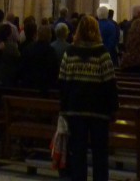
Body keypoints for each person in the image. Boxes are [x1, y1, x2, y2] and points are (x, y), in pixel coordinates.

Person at [59, 14, 119, 181]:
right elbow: (109, 83)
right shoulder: (102, 53)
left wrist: (63, 107)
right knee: (100, 153)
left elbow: (63, 82)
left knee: (78, 153)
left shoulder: (70, 52)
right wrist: (114, 108)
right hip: (98, 110)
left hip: (75, 109)